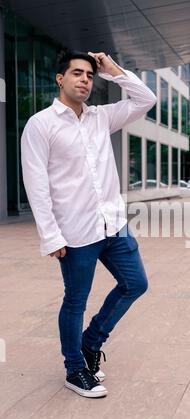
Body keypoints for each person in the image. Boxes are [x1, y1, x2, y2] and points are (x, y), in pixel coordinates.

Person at [21, 49, 157, 398]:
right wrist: (50, 235)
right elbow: (36, 186)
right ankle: (75, 370)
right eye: (77, 73)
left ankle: (90, 343)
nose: (85, 79)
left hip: (113, 225)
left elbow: (147, 98)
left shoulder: (101, 117)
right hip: (75, 232)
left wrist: (113, 69)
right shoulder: (41, 125)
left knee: (135, 284)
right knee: (75, 302)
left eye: (89, 75)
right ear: (60, 78)